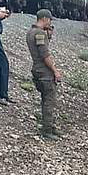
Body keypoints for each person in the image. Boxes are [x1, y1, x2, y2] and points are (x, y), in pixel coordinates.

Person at [27, 9, 63, 139]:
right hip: (44, 72)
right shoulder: (39, 33)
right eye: (49, 20)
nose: (50, 22)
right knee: (49, 101)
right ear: (44, 19)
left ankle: (50, 127)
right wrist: (55, 71)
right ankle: (47, 130)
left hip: (36, 70)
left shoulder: (31, 32)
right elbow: (45, 55)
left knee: (46, 100)